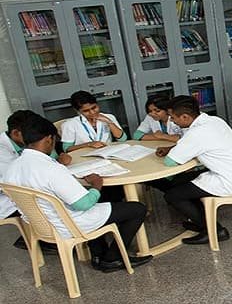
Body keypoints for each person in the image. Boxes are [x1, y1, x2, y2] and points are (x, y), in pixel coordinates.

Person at [4, 116, 152, 272]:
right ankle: (112, 259)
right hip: (69, 225)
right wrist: (96, 185)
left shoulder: (13, 168)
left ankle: (97, 254)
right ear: (49, 139)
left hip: (41, 225)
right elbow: (84, 204)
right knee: (137, 209)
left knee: (101, 201)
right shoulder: (51, 169)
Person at [155, 96, 232, 245]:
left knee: (173, 196)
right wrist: (171, 148)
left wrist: (171, 152)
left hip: (230, 181)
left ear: (185, 117)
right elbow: (191, 144)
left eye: (173, 117)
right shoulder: (214, 120)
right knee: (179, 182)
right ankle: (202, 220)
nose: (172, 121)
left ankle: (214, 231)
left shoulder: (196, 133)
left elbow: (170, 162)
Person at [1, 110, 71, 252]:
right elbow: (15, 181)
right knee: (61, 201)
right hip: (10, 200)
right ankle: (46, 240)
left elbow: (45, 159)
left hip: (28, 190)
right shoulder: (2, 152)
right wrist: (57, 165)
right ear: (15, 133)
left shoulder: (31, 143)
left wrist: (57, 159)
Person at [61, 90, 126, 152]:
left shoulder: (109, 117)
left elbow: (122, 139)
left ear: (97, 104)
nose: (92, 112)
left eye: (94, 108)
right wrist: (88, 144)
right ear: (78, 111)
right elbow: (67, 149)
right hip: (84, 155)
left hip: (108, 152)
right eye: (86, 111)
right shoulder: (69, 124)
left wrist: (109, 122)